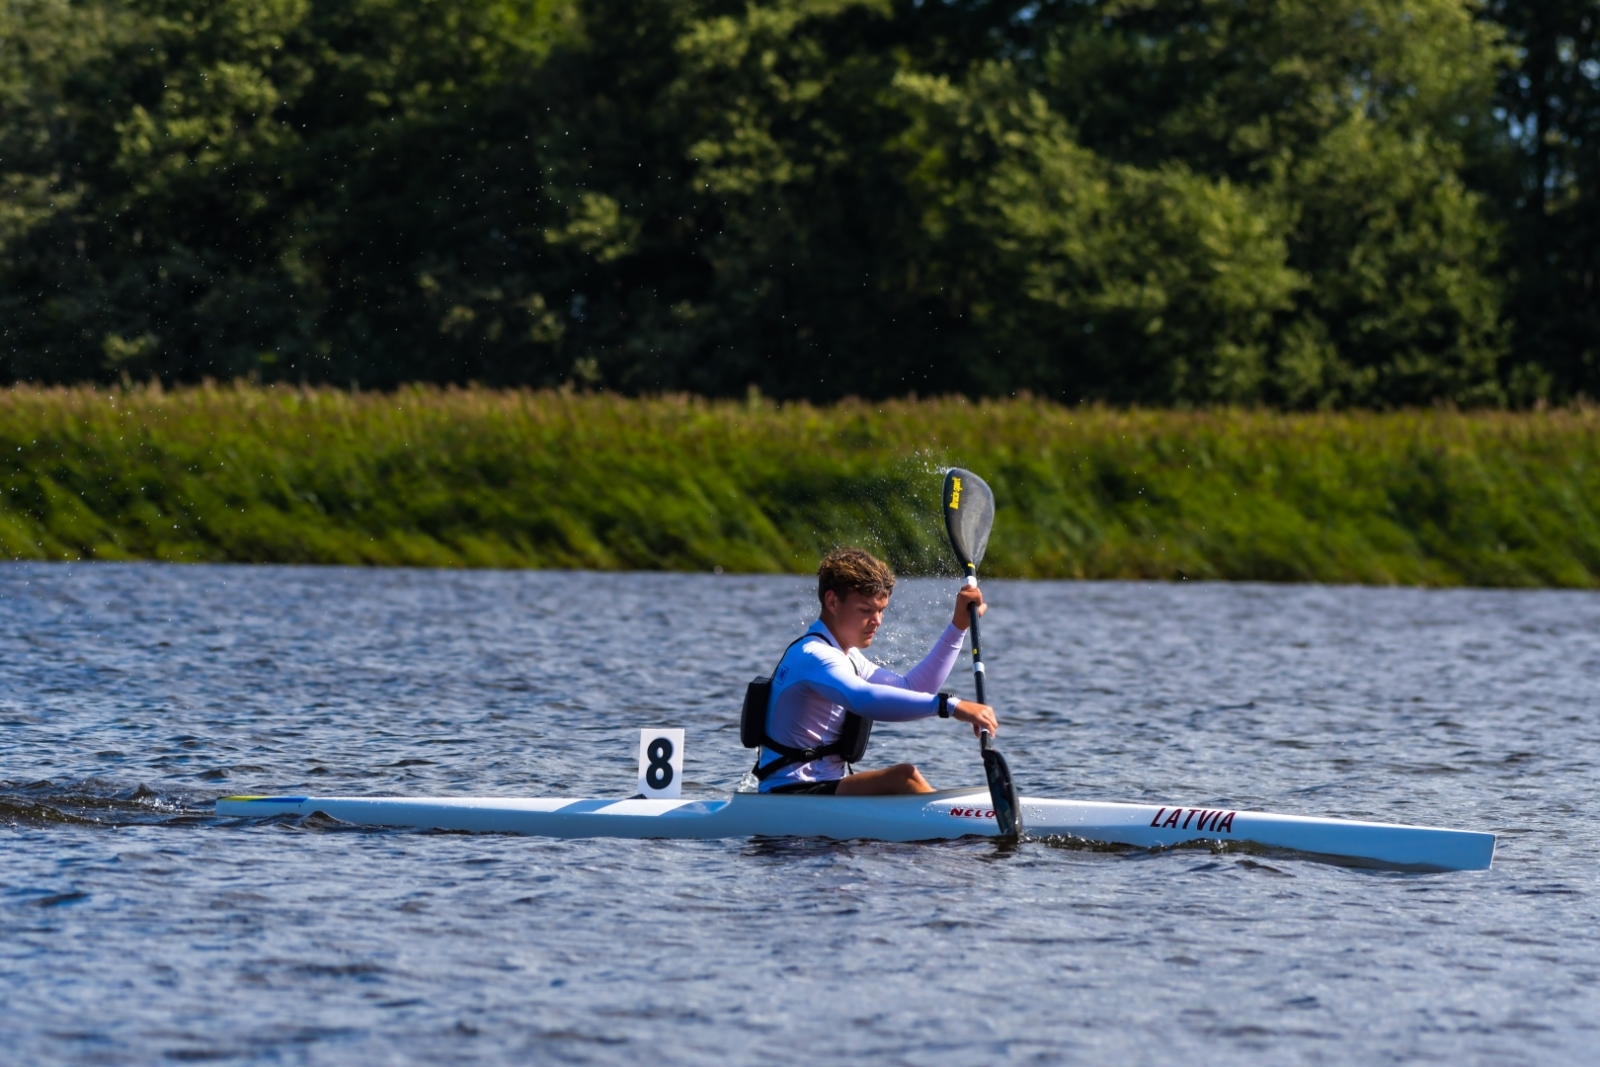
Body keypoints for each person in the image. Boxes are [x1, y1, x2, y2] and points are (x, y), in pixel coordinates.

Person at [757, 547, 1000, 795]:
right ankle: (964, 827)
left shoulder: (847, 657)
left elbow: (913, 689)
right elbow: (864, 699)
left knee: (903, 778)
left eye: (881, 610)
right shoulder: (814, 655)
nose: (877, 621)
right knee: (903, 778)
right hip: (789, 793)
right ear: (832, 602)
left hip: (819, 791)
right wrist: (950, 706)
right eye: (866, 610)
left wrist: (958, 627)